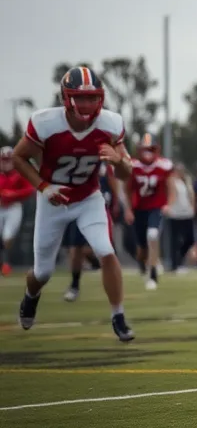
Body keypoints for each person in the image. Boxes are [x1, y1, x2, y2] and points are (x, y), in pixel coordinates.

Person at [11, 67, 136, 341]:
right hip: (53, 199)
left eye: (92, 97)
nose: (87, 104)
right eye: (80, 97)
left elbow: (126, 173)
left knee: (106, 251)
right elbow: (18, 158)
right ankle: (31, 295)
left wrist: (118, 161)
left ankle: (118, 316)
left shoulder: (111, 124)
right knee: (43, 272)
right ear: (65, 98)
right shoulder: (45, 123)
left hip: (88, 197)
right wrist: (43, 187)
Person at [63, 163, 128, 301]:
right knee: (76, 249)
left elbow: (113, 179)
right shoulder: (75, 159)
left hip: (100, 207)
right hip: (79, 206)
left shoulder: (105, 162)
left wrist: (116, 202)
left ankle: (114, 284)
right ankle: (75, 284)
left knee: (106, 249)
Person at [126, 134, 175, 291]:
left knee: (153, 235)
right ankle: (142, 264)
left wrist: (168, 204)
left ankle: (153, 274)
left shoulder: (164, 165)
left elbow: (171, 187)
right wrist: (128, 209)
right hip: (139, 209)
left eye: (151, 149)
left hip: (156, 207)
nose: (148, 153)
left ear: (157, 150)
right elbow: (127, 189)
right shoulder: (133, 166)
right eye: (145, 149)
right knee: (141, 249)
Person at [0, 145, 35, 276]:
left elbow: (29, 190)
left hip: (13, 207)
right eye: (3, 160)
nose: (6, 163)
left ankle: (4, 263)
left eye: (8, 159)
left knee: (7, 236)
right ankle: (3, 263)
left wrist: (12, 194)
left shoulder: (19, 174)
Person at [165, 163, 196, 272]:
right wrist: (168, 206)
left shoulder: (185, 181)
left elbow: (190, 195)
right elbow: (172, 195)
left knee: (190, 239)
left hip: (187, 213)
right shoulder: (171, 180)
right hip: (175, 214)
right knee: (174, 240)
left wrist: (192, 207)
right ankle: (174, 265)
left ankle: (179, 260)